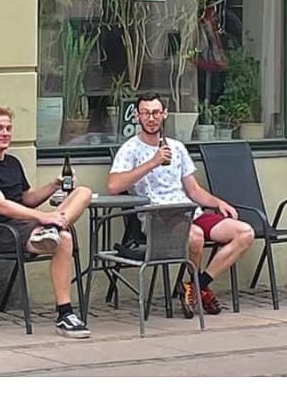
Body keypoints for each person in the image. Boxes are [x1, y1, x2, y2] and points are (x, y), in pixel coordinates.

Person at [107, 91, 254, 317]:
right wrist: (152, 162)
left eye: (156, 112)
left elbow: (193, 189)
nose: (151, 118)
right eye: (145, 113)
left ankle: (196, 285)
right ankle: (197, 288)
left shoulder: (176, 147)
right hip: (157, 216)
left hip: (189, 211)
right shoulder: (130, 149)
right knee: (195, 236)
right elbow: (113, 186)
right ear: (137, 116)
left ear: (164, 114)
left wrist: (218, 202)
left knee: (244, 232)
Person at [0, 105, 94, 338]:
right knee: (64, 238)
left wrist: (54, 185)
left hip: (29, 226)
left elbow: (27, 198)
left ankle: (51, 231)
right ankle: (65, 314)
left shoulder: (13, 163)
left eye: (8, 128)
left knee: (83, 192)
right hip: (1, 233)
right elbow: (1, 205)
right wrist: (43, 217)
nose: (5, 133)